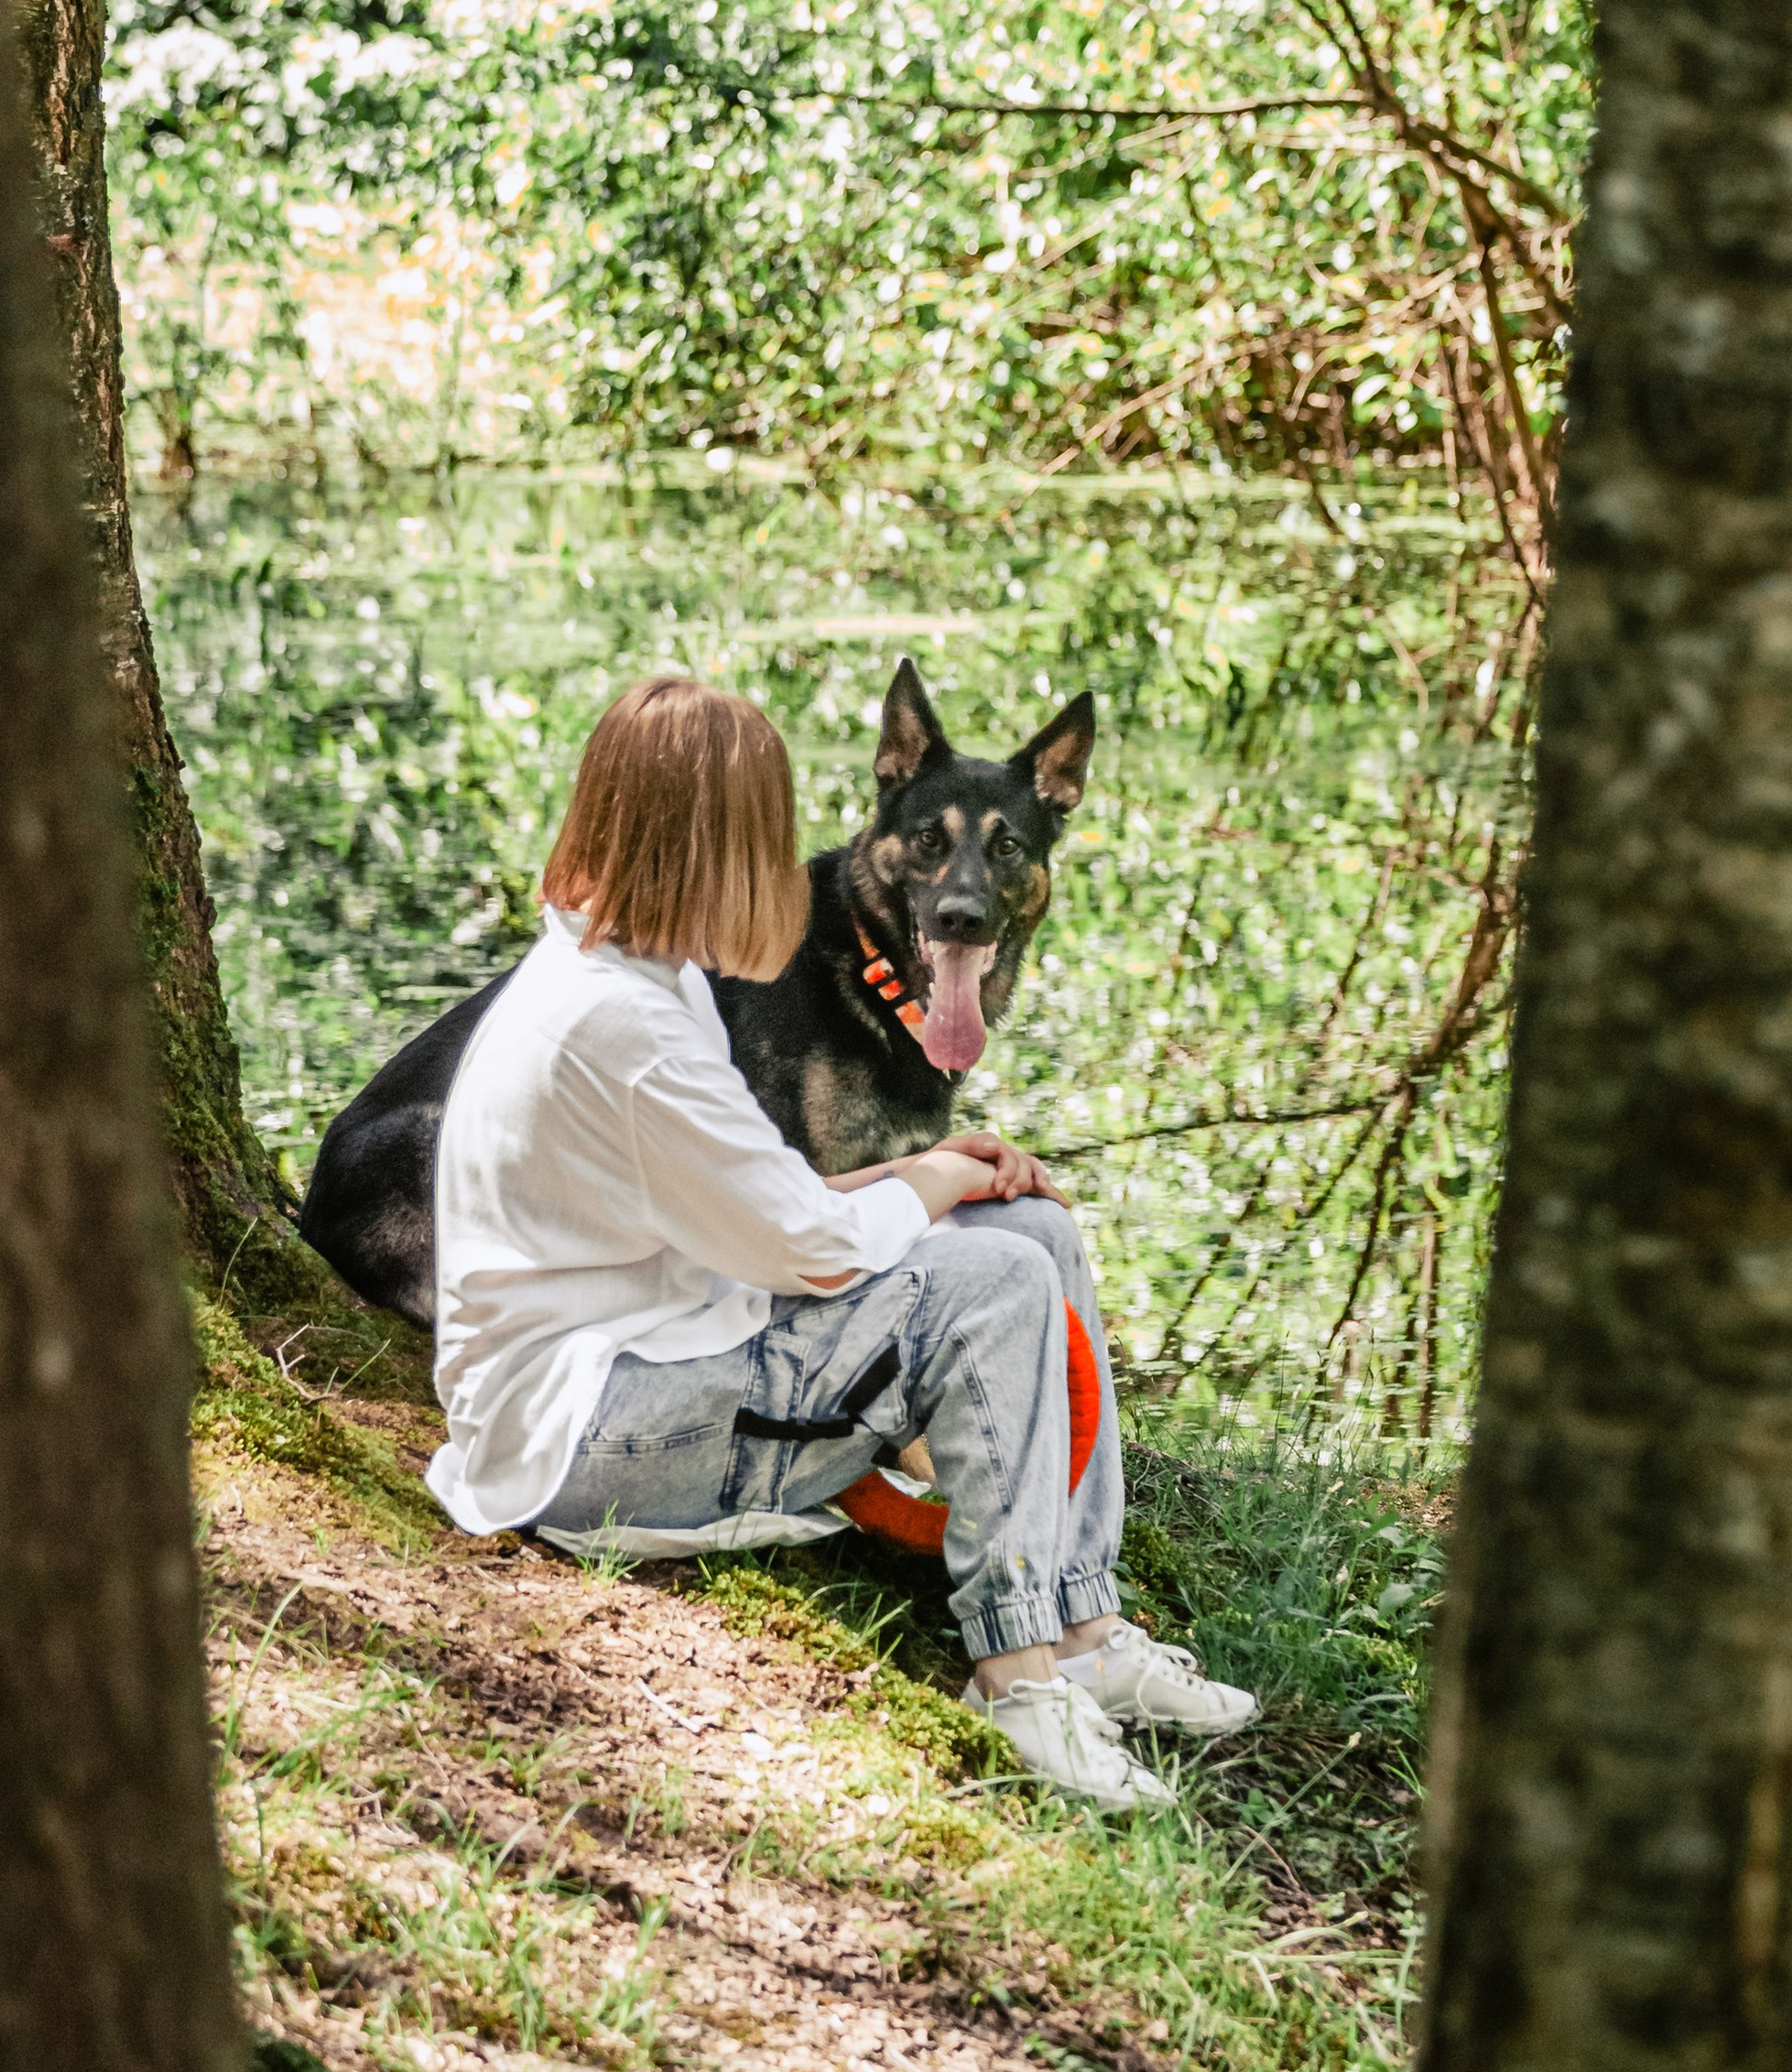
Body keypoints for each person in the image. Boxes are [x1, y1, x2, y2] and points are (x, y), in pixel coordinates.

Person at [426, 676, 1255, 1811]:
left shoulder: (634, 976)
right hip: (582, 1443)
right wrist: (922, 1178)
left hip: (646, 1361)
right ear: (702, 842)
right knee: (995, 1278)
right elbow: (807, 1249)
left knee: (1027, 1229)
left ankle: (1083, 1622)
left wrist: (946, 1175)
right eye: (761, 831)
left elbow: (755, 1202)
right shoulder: (623, 1023)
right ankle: (1016, 1679)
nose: (785, 861)